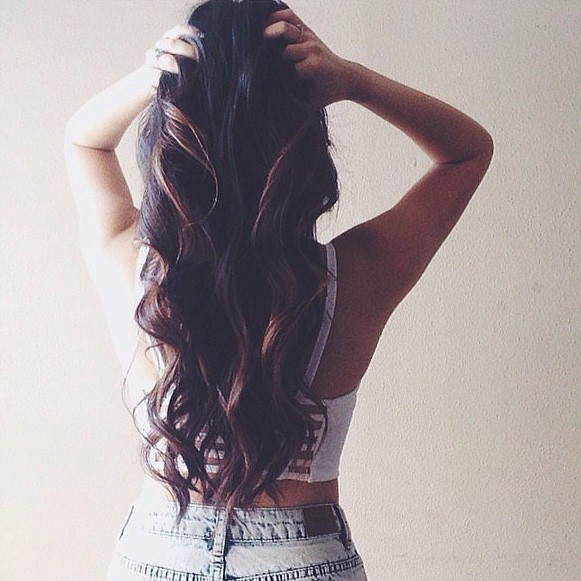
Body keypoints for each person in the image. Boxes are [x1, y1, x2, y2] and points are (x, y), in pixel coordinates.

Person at [63, 1, 493, 579]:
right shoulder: (357, 275)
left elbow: (84, 142)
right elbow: (468, 151)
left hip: (159, 555)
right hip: (303, 557)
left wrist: (155, 77)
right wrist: (353, 81)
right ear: (303, 141)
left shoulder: (131, 265)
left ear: (174, 136)